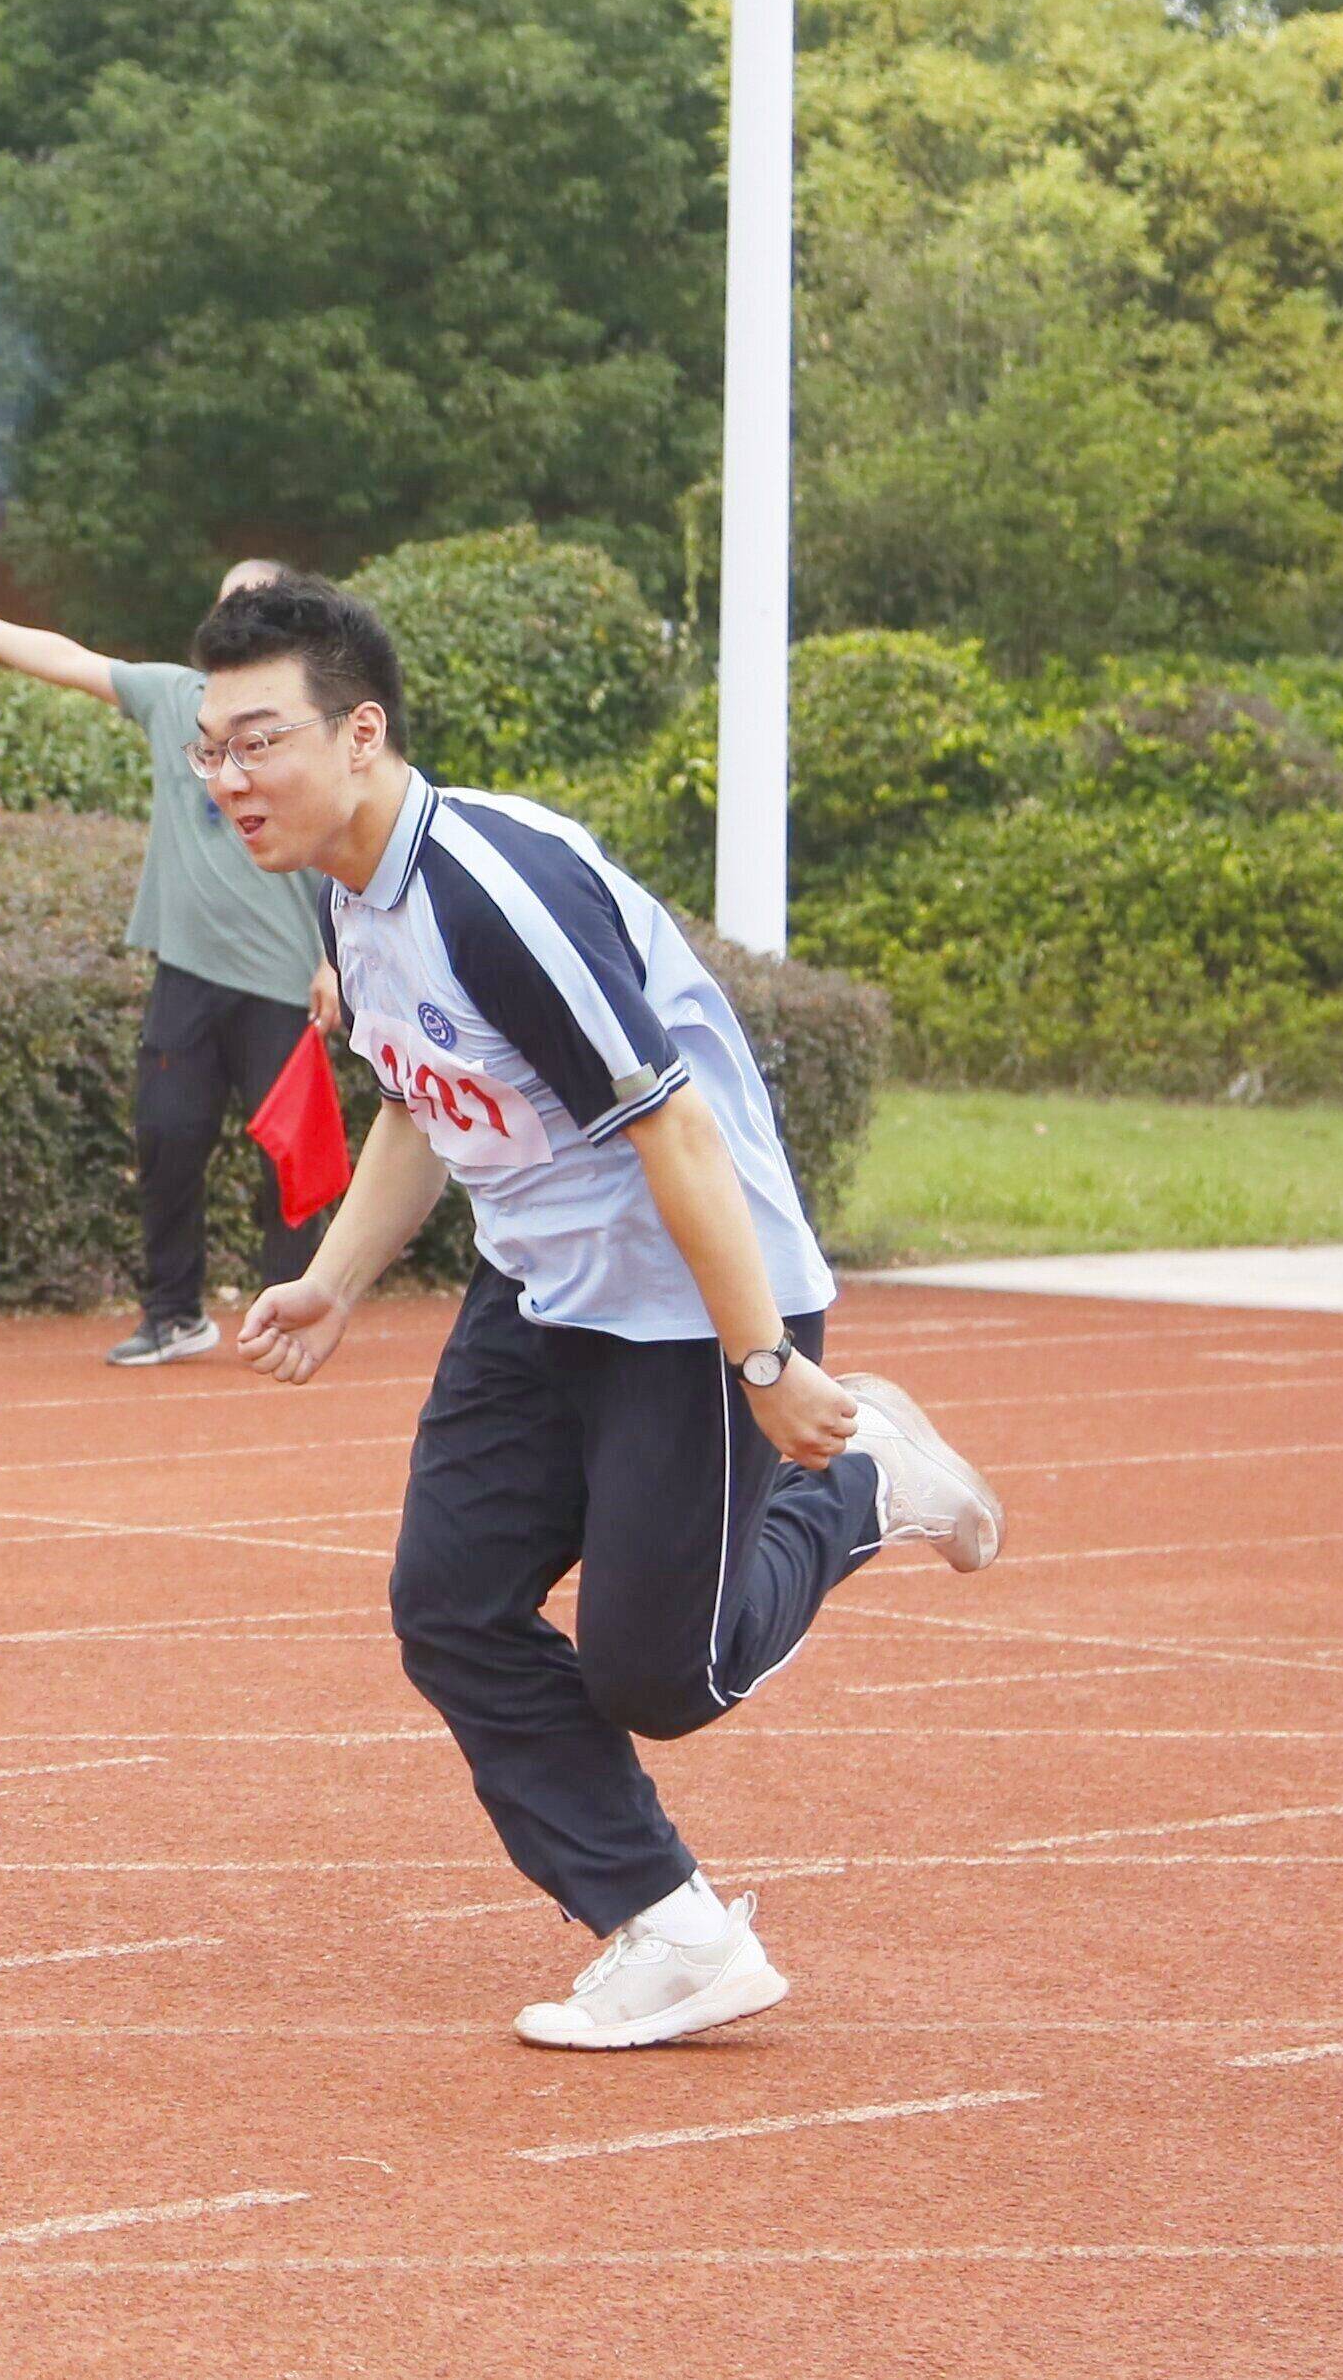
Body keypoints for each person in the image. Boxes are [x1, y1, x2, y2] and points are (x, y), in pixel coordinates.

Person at [194, 572, 1004, 2047]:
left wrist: (760, 1357)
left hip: (691, 1303)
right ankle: (668, 1925)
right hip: (534, 1287)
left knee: (661, 1677)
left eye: (256, 742)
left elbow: (673, 1132)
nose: (225, 778)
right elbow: (416, 1097)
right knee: (447, 1607)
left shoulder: (490, 891)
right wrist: (331, 1275)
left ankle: (865, 1479)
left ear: (358, 734)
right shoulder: (338, 881)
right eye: (209, 748)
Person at [0, 566, 342, 1365]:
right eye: (227, 604)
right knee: (165, 1138)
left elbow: (342, 841)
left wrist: (334, 961)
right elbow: (66, 657)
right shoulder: (170, 697)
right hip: (184, 970)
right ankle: (175, 1315)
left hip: (283, 979)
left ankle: (288, 1313)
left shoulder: (307, 722)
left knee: (286, 1160)